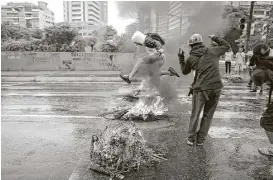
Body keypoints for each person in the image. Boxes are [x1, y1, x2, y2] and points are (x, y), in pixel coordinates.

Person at [178, 34, 230, 146]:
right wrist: (215, 37)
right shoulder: (213, 51)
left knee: (195, 114)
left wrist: (181, 58)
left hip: (200, 89)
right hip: (216, 87)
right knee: (208, 115)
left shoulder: (190, 58)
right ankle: (201, 140)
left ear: (191, 45)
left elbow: (184, 71)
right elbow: (226, 46)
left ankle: (191, 139)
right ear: (202, 43)